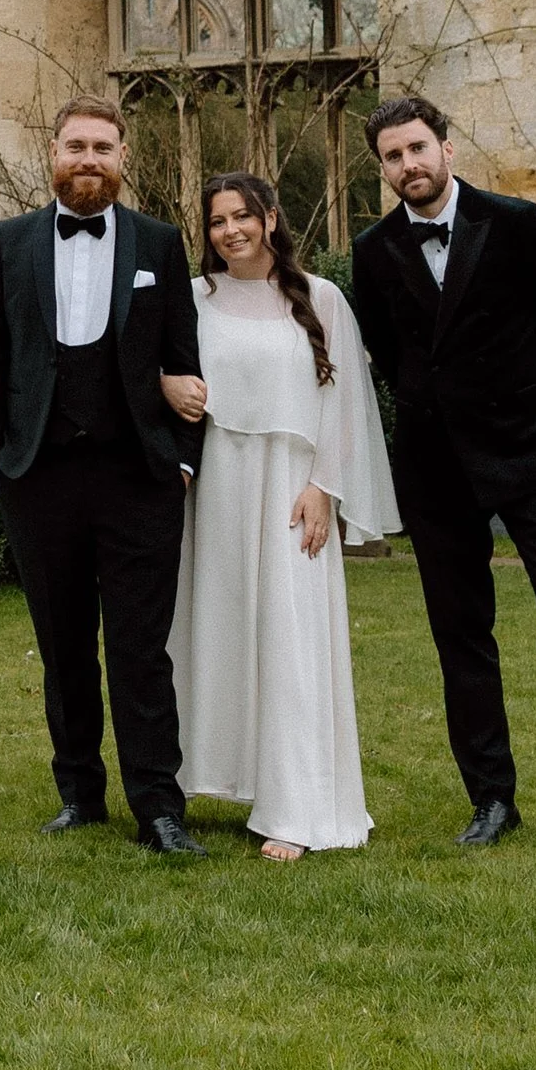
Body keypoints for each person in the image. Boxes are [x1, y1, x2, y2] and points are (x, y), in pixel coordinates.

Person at [352, 95, 536, 858]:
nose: (408, 164)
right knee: (461, 634)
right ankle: (491, 798)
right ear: (382, 168)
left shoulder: (516, 223)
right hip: (436, 465)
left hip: (533, 451)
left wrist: (529, 400)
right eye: (392, 156)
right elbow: (389, 354)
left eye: (417, 148)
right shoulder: (374, 250)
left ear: (446, 148)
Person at [0, 96, 205, 854]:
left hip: (139, 475)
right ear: (53, 153)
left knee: (141, 649)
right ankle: (79, 795)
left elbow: (183, 355)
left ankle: (159, 808)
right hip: (38, 476)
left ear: (122, 158)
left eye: (103, 148)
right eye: (76, 146)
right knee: (64, 647)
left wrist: (181, 459)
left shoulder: (159, 242)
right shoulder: (8, 242)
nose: (89, 160)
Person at [162, 172, 399, 860]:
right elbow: (156, 369)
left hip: (292, 490)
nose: (230, 231)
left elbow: (345, 402)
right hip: (213, 487)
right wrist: (166, 384)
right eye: (216, 222)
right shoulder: (194, 298)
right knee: (211, 630)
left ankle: (295, 806)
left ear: (270, 217)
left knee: (290, 636)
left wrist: (324, 486)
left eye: (242, 216)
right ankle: (210, 775)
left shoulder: (320, 298)